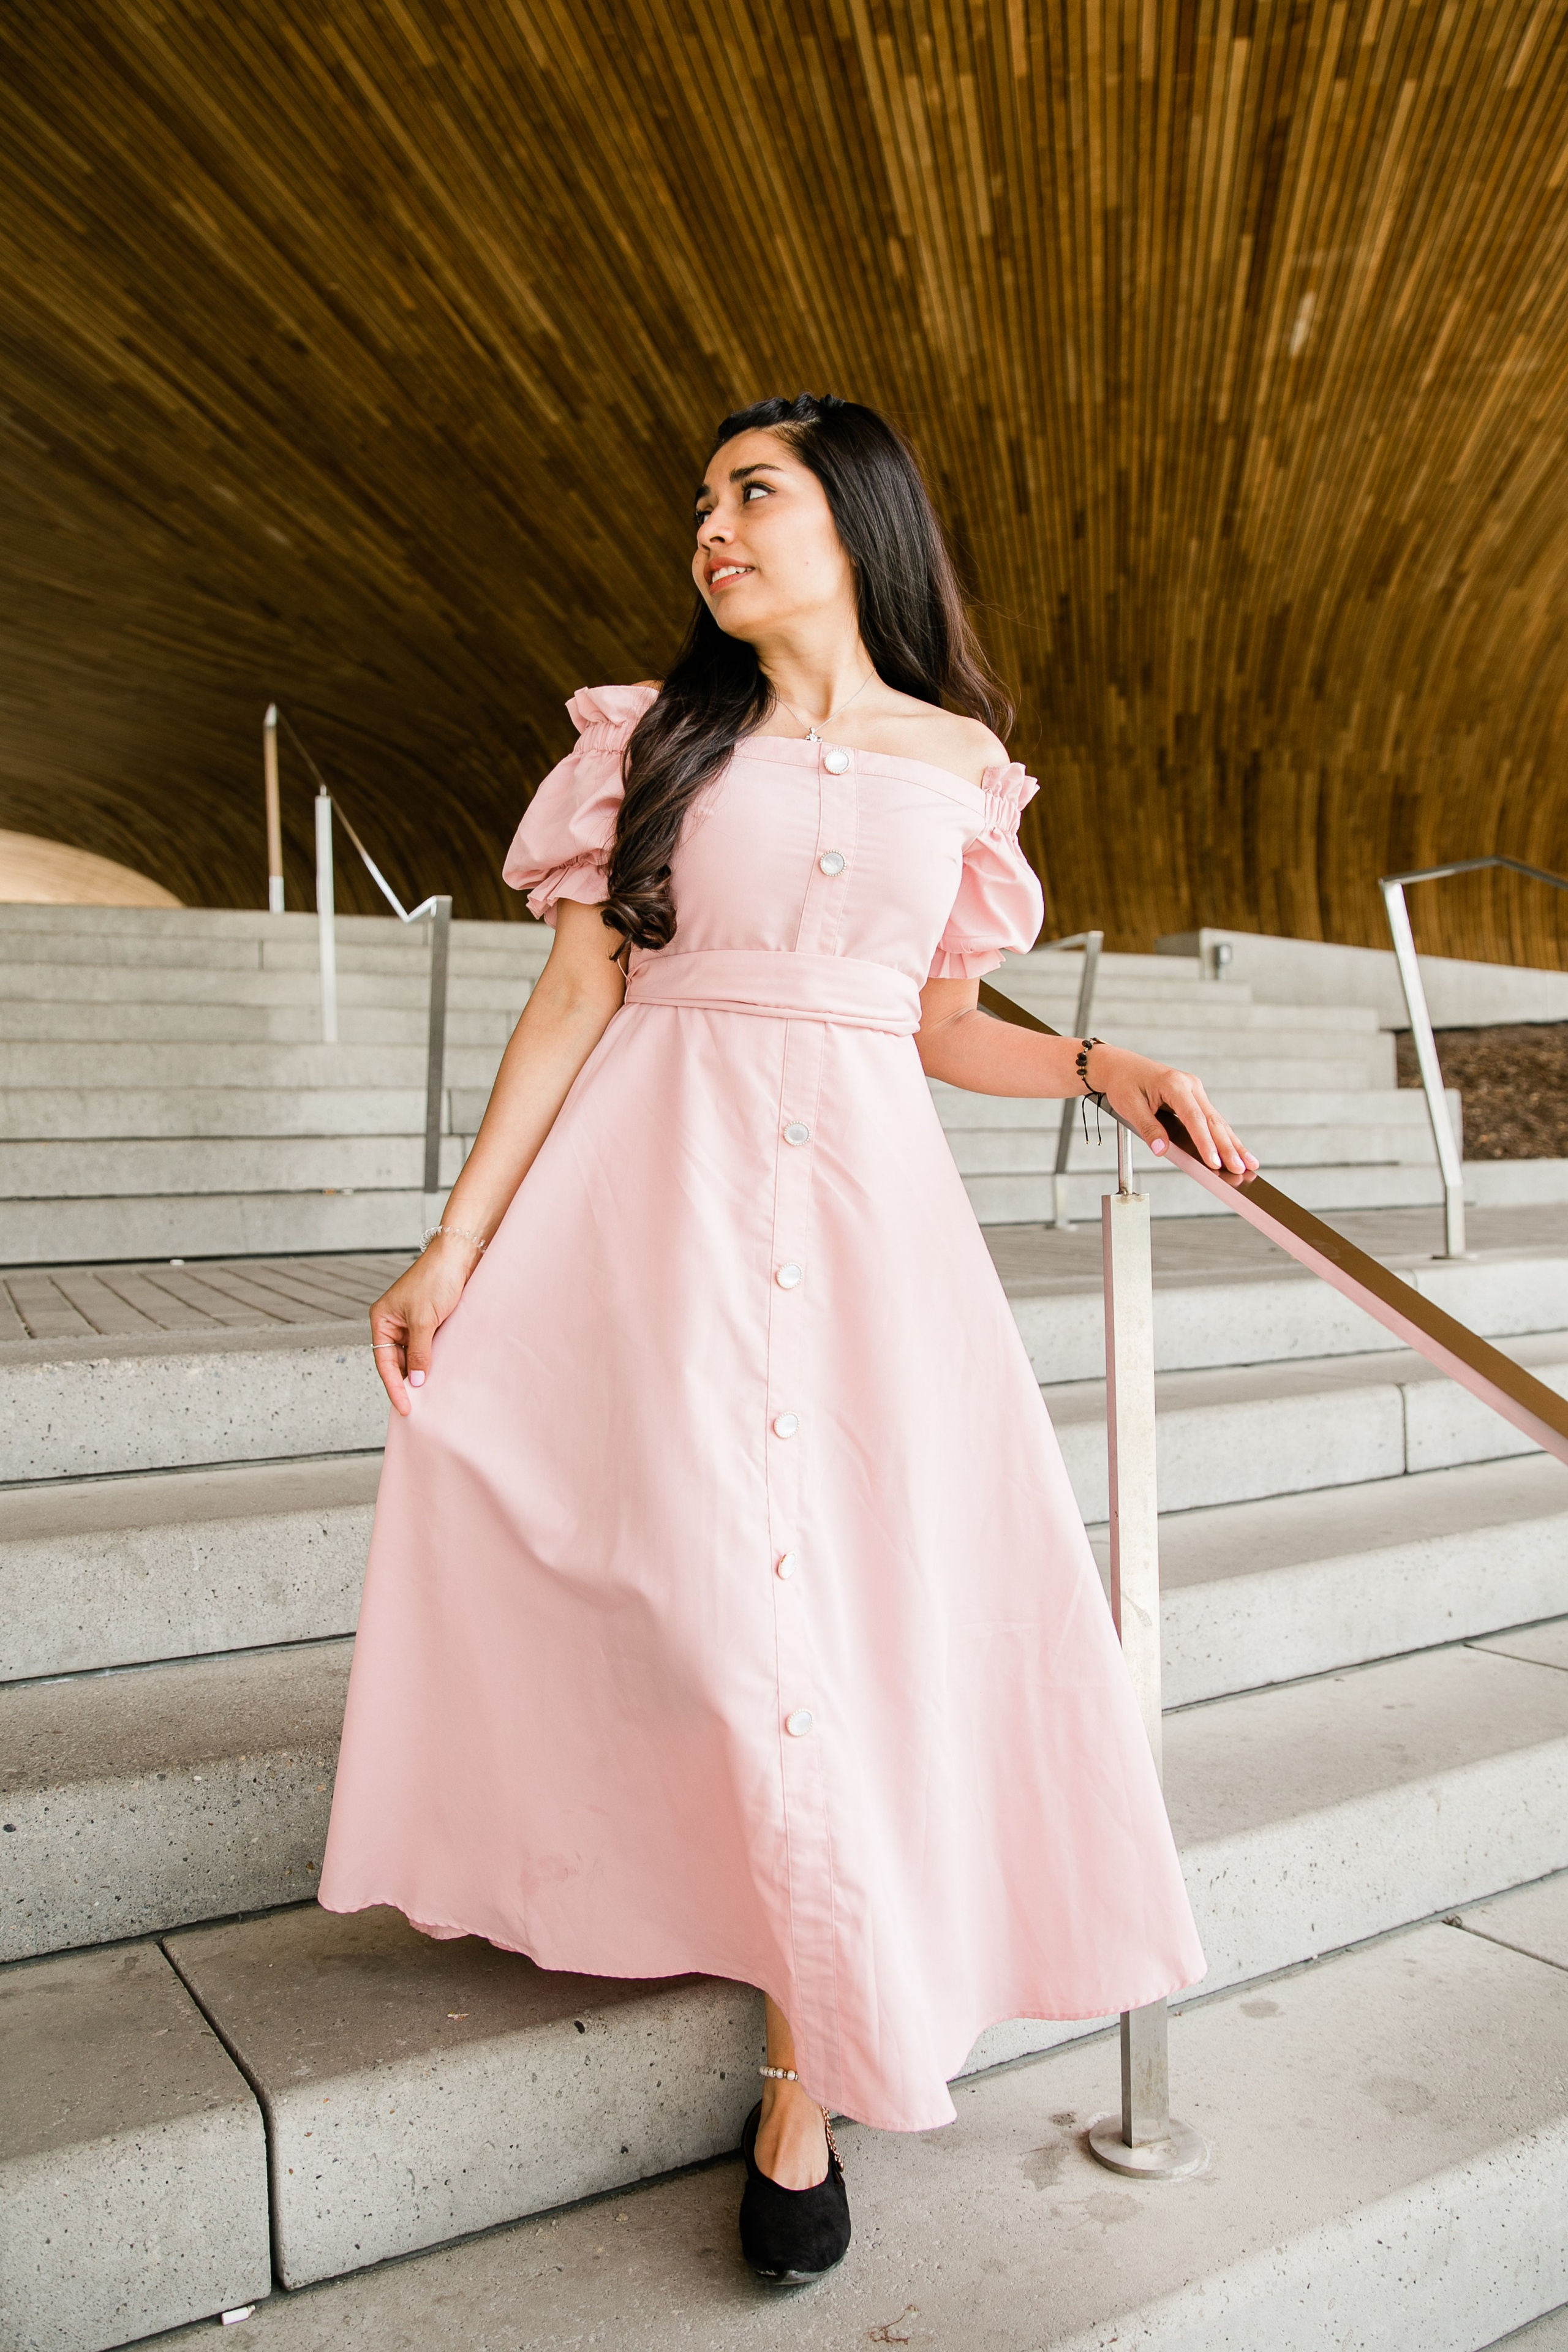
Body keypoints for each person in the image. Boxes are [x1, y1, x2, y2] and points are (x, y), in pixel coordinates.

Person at [318, 392, 1257, 2286]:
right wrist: (456, 1242)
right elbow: (581, 981)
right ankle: (657, 1877)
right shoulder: (651, 741)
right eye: (702, 502)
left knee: (847, 1606)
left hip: (869, 1235)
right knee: (699, 1597)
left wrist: (1096, 1063)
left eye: (754, 493)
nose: (712, 528)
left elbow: (940, 1022)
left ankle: (807, 2075)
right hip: (647, 1204)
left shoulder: (959, 768)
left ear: (861, 523)